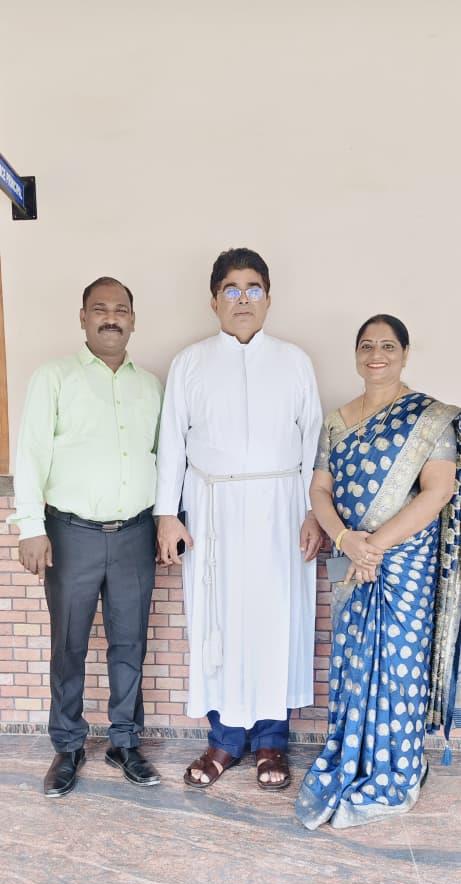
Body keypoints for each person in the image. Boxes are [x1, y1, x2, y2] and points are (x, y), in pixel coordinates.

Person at [154, 248, 323, 789]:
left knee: (276, 622)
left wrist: (314, 513)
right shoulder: (190, 362)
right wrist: (167, 514)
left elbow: (313, 443)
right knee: (218, 622)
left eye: (253, 289)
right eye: (231, 289)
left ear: (268, 299)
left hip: (281, 512)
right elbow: (171, 442)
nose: (242, 299)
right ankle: (224, 742)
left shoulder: (294, 361)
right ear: (214, 301)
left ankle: (272, 741)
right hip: (213, 514)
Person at [295, 314, 460, 829]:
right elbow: (319, 489)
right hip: (352, 561)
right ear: (356, 355)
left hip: (405, 563)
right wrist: (347, 540)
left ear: (405, 354)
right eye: (366, 346)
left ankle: (399, 772)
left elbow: (439, 490)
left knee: (398, 666)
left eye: (388, 346)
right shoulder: (337, 421)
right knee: (353, 663)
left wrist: (374, 547)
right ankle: (354, 759)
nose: (376, 355)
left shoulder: (430, 417)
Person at [10, 277, 163, 796]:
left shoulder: (151, 387)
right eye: (100, 309)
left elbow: (163, 458)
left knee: (130, 642)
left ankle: (124, 742)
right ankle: (68, 746)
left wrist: (166, 520)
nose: (111, 318)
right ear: (82, 318)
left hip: (136, 533)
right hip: (70, 533)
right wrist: (31, 527)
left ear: (133, 320)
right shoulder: (54, 377)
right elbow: (30, 454)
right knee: (69, 644)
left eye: (121, 309)